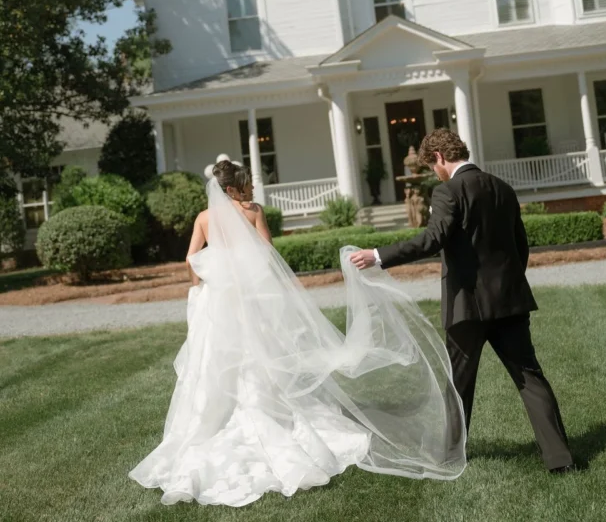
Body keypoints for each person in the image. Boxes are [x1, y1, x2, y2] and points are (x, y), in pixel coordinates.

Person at [129, 160, 466, 507]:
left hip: (218, 303)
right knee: (263, 358)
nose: (252, 188)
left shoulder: (204, 218)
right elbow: (267, 255)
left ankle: (215, 421)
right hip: (253, 301)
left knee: (215, 363)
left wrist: (198, 288)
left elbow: (191, 259)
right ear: (232, 189)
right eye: (247, 184)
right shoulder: (253, 212)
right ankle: (271, 415)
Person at [351, 128, 574, 474]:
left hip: (466, 307)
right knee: (531, 379)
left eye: (432, 167)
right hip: (510, 302)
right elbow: (521, 246)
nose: (434, 174)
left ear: (440, 157)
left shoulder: (447, 190)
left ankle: (451, 456)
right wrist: (507, 284)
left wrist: (378, 255)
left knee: (457, 384)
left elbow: (432, 239)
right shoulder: (502, 188)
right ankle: (561, 460)